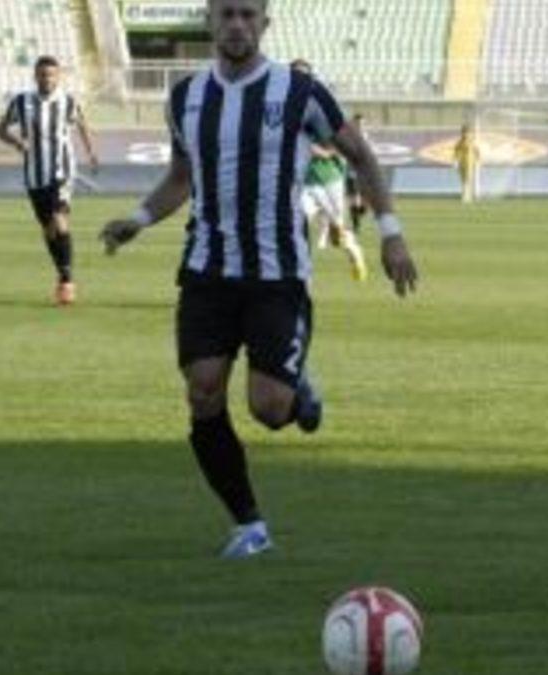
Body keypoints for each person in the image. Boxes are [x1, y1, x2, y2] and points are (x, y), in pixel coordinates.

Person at [99, 0, 419, 559]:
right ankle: (248, 524)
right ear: (210, 21)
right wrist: (140, 218)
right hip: (207, 268)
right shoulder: (185, 98)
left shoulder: (299, 92)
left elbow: (363, 158)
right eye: (227, 14)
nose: (237, 25)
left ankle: (296, 388)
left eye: (248, 15)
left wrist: (391, 234)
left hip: (277, 273)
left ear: (264, 24)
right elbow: (181, 176)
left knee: (269, 409)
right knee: (203, 391)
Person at [0, 56, 100, 306]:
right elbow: (0, 130)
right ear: (35, 76)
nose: (47, 79)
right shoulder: (21, 102)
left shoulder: (68, 101)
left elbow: (82, 124)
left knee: (59, 220)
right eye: (42, 74)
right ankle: (62, 273)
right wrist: (17, 143)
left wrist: (91, 152)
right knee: (49, 229)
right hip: (34, 175)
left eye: (51, 74)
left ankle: (67, 281)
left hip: (62, 170)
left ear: (58, 76)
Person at [290, 58, 369, 282]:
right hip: (304, 183)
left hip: (328, 180)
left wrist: (323, 151)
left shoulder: (323, 106)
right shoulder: (287, 108)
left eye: (303, 75)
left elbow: (341, 139)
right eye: (294, 75)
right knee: (293, 226)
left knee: (337, 234)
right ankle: (300, 274)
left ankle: (355, 252)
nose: (298, 80)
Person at [346, 113, 371, 234]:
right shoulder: (349, 136)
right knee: (354, 199)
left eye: (363, 124)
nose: (361, 126)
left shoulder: (366, 136)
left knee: (365, 202)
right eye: (359, 123)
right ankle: (356, 225)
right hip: (352, 171)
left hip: (365, 171)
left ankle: (358, 214)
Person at [453, 124, 481, 204]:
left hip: (470, 163)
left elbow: (477, 151)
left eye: (467, 132)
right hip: (461, 163)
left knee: (468, 179)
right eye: (464, 132)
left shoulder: (472, 142)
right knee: (463, 180)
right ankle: (466, 196)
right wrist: (455, 161)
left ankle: (466, 196)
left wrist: (478, 161)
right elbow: (456, 151)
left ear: (469, 133)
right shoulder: (460, 142)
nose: (465, 134)